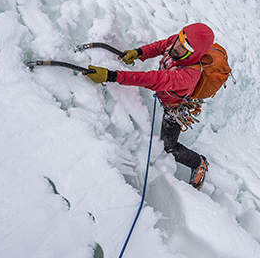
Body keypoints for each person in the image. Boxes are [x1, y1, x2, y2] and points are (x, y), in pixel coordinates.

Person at [86, 23, 214, 190]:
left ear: (194, 54)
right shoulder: (179, 43)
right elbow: (161, 46)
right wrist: (139, 53)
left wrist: (111, 75)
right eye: (179, 40)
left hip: (175, 108)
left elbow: (153, 79)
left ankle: (199, 162)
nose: (176, 46)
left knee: (169, 147)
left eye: (184, 47)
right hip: (167, 95)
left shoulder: (187, 75)